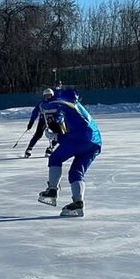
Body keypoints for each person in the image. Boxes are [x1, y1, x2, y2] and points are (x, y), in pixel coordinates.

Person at [36, 87, 101, 217]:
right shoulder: (78, 109)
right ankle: (78, 203)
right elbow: (74, 132)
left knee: (55, 158)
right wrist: (58, 135)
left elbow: (50, 105)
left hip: (82, 139)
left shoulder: (67, 104)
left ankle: (52, 190)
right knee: (76, 173)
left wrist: (55, 136)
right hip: (95, 142)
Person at [23, 87, 56, 157]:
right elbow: (35, 113)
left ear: (52, 95)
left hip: (54, 121)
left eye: (49, 95)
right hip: (43, 120)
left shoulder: (56, 103)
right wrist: (31, 122)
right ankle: (29, 148)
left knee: (59, 135)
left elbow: (61, 112)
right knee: (38, 134)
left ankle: (50, 148)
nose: (48, 97)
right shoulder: (41, 104)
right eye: (46, 95)